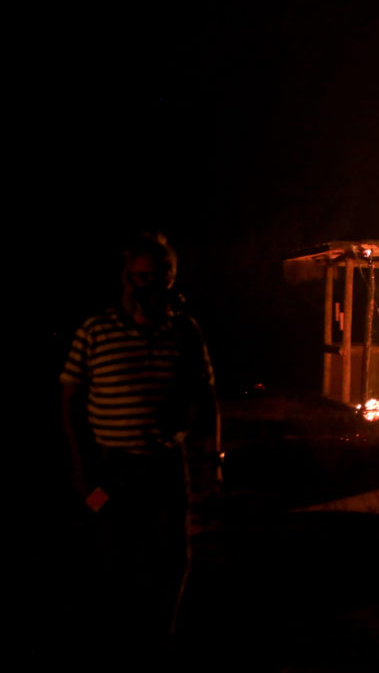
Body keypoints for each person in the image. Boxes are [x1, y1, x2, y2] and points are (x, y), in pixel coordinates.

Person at [60, 232, 219, 658]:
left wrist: (212, 458)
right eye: (135, 277)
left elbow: (205, 396)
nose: (141, 286)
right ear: (125, 277)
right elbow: (70, 400)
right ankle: (114, 639)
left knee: (171, 553)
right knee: (110, 549)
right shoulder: (95, 330)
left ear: (170, 279)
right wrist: (80, 469)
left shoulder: (185, 332)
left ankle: (159, 636)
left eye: (153, 277)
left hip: (166, 465)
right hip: (109, 468)